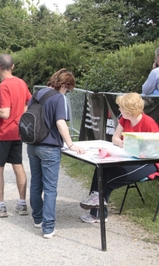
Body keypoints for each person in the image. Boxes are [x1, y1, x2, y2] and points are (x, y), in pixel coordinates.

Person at [80, 92, 159, 223]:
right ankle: (95, 209)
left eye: (121, 107)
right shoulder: (125, 119)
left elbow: (155, 147)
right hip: (127, 158)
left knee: (108, 183)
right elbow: (115, 138)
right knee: (101, 168)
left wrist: (134, 147)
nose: (119, 109)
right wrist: (126, 144)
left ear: (129, 109)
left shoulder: (148, 123)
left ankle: (99, 213)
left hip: (148, 164)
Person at [27, 68, 85, 239]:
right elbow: (60, 123)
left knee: (36, 183)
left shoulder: (38, 93)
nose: (67, 92)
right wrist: (71, 144)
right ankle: (48, 227)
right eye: (68, 88)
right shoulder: (59, 98)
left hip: (33, 145)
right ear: (65, 85)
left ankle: (37, 218)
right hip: (50, 147)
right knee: (50, 188)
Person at [0, 54, 32, 218]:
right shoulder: (21, 83)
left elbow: (4, 113)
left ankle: (1, 205)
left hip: (1, 133)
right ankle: (22, 203)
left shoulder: (4, 86)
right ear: (13, 66)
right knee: (18, 165)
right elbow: (29, 103)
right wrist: (18, 118)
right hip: (17, 132)